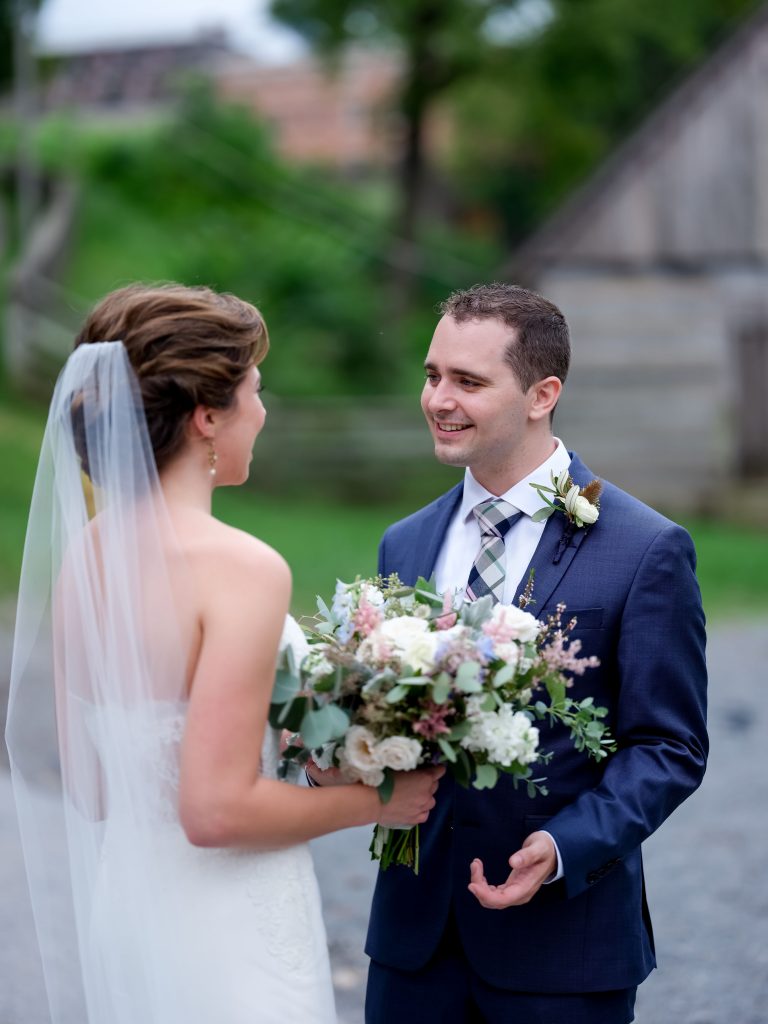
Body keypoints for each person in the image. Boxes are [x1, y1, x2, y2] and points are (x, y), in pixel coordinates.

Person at [5, 283, 442, 1024]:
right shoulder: (240, 567)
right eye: (254, 392)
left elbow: (94, 788)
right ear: (209, 417)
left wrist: (295, 733)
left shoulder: (86, 555)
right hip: (227, 917)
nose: (263, 414)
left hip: (133, 903)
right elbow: (213, 811)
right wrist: (378, 799)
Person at [360, 283, 708, 1023]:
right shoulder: (406, 541)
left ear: (542, 393)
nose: (438, 399)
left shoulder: (645, 549)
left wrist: (563, 844)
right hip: (411, 944)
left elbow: (670, 745)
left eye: (468, 381)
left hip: (562, 947)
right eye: (432, 375)